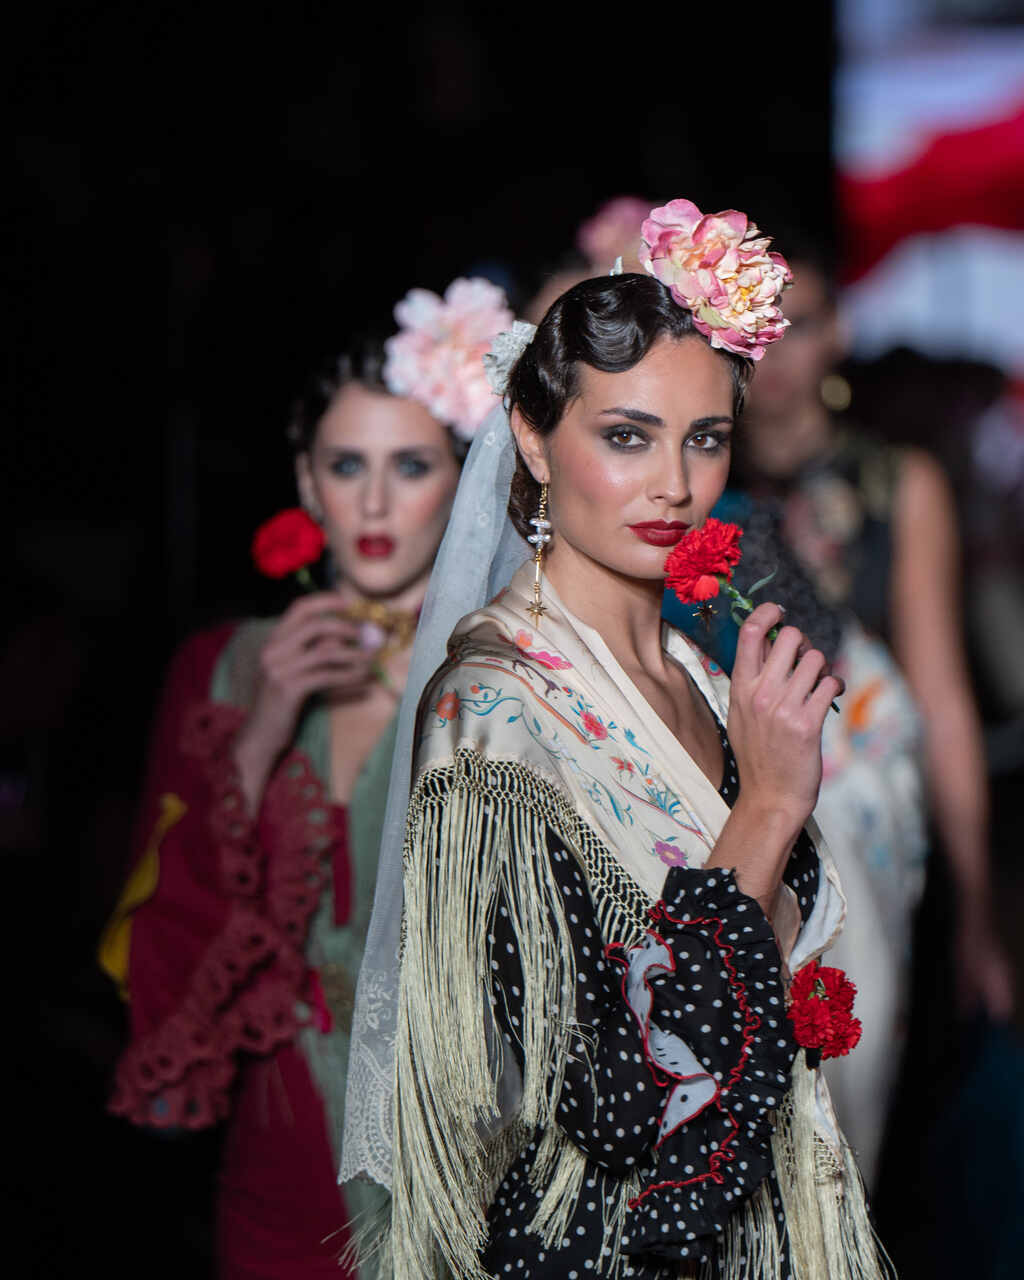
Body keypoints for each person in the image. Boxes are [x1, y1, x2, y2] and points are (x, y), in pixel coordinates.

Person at [341, 201, 892, 1279]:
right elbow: (614, 1095)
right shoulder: (494, 712)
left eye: (705, 438)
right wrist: (770, 806)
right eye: (626, 435)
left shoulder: (696, 671)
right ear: (536, 439)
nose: (675, 484)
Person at [99, 277, 513, 1276]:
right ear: (304, 477)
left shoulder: (506, 673)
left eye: (410, 465)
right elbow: (155, 943)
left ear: (463, 479)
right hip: (271, 1156)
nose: (373, 502)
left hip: (455, 1158)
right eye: (346, 464)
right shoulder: (226, 670)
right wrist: (261, 728)